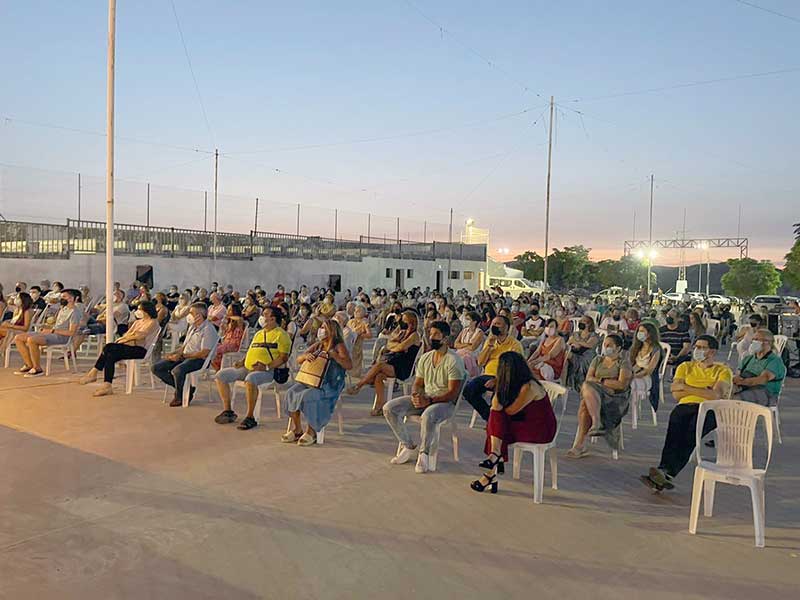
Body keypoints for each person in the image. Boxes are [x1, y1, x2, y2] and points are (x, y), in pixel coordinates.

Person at [641, 335, 732, 492]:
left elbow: (715, 396)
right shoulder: (685, 367)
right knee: (674, 434)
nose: (697, 350)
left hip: (710, 409)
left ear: (712, 352)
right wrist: (705, 390)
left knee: (691, 433)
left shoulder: (722, 371)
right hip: (684, 405)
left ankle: (667, 473)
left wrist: (686, 388)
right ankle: (663, 471)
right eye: (696, 346)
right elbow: (676, 394)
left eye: (702, 347)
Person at [384, 321, 466, 473]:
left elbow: (453, 393)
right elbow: (418, 383)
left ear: (445, 338)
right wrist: (416, 396)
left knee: (428, 415)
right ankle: (408, 446)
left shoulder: (454, 361)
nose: (431, 337)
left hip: (445, 403)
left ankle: (424, 454)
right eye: (430, 333)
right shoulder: (426, 357)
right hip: (426, 397)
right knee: (390, 408)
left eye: (436, 335)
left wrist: (429, 401)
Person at [470, 352, 556, 493]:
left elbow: (511, 411)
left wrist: (497, 398)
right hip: (526, 422)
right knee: (496, 422)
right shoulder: (519, 382)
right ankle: (494, 459)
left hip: (541, 429)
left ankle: (493, 461)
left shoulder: (529, 386)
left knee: (496, 421)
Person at [213, 306, 291, 429]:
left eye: (265, 314)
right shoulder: (259, 333)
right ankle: (228, 411)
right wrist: (242, 362)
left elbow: (283, 358)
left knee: (251, 379)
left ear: (273, 318)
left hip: (268, 371)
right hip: (247, 367)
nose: (262, 316)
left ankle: (250, 417)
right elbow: (251, 350)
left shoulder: (282, 335)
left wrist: (265, 366)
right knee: (220, 376)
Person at [282, 319, 353, 445]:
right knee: (291, 392)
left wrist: (335, 356)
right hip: (312, 380)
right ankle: (297, 429)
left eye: (323, 327)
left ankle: (311, 431)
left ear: (331, 331)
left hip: (329, 385)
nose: (321, 330)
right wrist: (305, 356)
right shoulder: (319, 344)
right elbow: (299, 359)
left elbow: (349, 365)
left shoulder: (338, 345)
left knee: (308, 396)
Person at [567, 334, 632, 458]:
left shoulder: (623, 363)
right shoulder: (598, 360)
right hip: (595, 394)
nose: (606, 347)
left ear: (618, 348)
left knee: (586, 397)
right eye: (605, 344)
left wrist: (600, 381)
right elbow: (588, 378)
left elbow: (621, 385)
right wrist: (607, 383)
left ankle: (581, 444)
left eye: (609, 345)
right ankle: (595, 423)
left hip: (614, 398)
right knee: (586, 389)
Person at [346, 309, 421, 415]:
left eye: (404, 320)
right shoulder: (402, 333)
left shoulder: (414, 335)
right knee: (379, 377)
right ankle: (379, 406)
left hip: (404, 368)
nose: (402, 323)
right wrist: (395, 346)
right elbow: (389, 344)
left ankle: (359, 385)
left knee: (380, 365)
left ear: (411, 322)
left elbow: (399, 347)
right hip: (395, 362)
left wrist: (395, 346)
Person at [78, 301, 161, 396]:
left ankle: (94, 373)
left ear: (146, 311)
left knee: (109, 347)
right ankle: (107, 385)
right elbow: (128, 334)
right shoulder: (138, 322)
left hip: (141, 350)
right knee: (110, 354)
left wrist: (129, 337)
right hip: (130, 346)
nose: (137, 311)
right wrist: (129, 337)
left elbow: (140, 336)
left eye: (139, 309)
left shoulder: (153, 322)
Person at [152, 302, 219, 406]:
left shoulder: (208, 329)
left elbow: (203, 353)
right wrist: (173, 354)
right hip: (185, 356)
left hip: (199, 359)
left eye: (191, 313)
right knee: (156, 368)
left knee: (177, 370)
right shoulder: (192, 327)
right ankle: (186, 389)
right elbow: (184, 346)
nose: (189, 315)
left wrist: (182, 356)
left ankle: (179, 396)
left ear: (199, 315)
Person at [463, 315, 524, 423]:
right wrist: (489, 346)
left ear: (506, 328)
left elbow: (514, 368)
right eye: (493, 324)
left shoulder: (515, 344)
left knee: (498, 396)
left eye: (498, 324)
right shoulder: (490, 341)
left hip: (504, 378)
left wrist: (497, 379)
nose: (494, 326)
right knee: (468, 390)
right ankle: (490, 418)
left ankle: (495, 422)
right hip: (487, 375)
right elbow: (480, 363)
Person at [13, 288, 83, 378]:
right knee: (18, 338)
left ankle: (37, 368)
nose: (62, 299)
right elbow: (57, 325)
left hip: (61, 337)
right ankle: (28, 365)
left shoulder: (75, 312)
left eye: (64, 297)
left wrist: (52, 331)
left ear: (73, 298)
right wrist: (48, 327)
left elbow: (72, 332)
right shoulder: (63, 309)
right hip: (52, 333)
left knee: (32, 340)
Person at [733, 328, 786, 406]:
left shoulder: (775, 361)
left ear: (767, 342)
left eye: (757, 339)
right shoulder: (748, 358)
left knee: (735, 400)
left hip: (766, 393)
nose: (753, 342)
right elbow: (738, 374)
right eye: (753, 339)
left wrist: (741, 381)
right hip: (745, 387)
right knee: (723, 396)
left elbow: (762, 380)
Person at [565, 314, 599, 392]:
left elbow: (589, 345)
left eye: (583, 321)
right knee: (566, 357)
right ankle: (565, 382)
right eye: (580, 321)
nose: (580, 322)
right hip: (575, 353)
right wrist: (573, 343)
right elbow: (568, 343)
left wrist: (576, 342)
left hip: (586, 357)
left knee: (567, 355)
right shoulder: (576, 333)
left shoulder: (593, 335)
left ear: (589, 324)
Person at [211, 303, 247, 370]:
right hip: (226, 342)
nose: (228, 311)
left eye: (230, 310)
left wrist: (228, 316)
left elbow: (239, 319)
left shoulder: (239, 321)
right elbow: (223, 334)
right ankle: (217, 368)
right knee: (211, 348)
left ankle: (218, 368)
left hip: (234, 344)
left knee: (217, 350)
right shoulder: (229, 322)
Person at [453, 310, 484, 377]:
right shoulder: (464, 330)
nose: (465, 321)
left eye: (468, 319)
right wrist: (467, 344)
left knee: (464, 358)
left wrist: (461, 345)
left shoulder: (479, 332)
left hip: (473, 355)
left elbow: (472, 348)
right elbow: (455, 344)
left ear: (474, 321)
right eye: (466, 319)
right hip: (461, 352)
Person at [346, 304, 371, 378]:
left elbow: (369, 335)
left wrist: (359, 335)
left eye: (358, 311)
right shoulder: (350, 321)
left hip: (357, 345)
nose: (356, 312)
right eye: (355, 311)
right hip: (348, 342)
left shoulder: (364, 322)